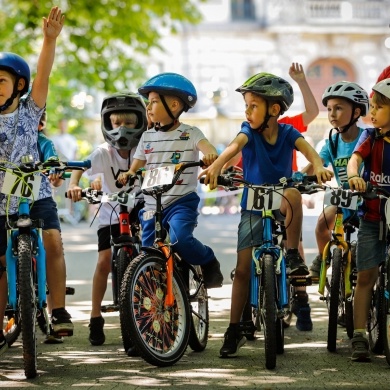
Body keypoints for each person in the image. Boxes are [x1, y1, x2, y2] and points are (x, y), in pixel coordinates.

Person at [199, 73, 333, 357]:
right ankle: (234, 328)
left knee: (294, 194)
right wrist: (216, 168)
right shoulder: (247, 130)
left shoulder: (288, 132)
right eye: (246, 105)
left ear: (274, 109)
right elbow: (233, 148)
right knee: (243, 270)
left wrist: (319, 166)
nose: (247, 111)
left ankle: (294, 255)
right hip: (252, 205)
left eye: (253, 105)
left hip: (282, 199)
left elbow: (310, 152)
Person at [0, 6, 70, 357]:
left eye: (1, 82)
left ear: (19, 86)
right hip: (1, 200)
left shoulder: (31, 111)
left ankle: (58, 309)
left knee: (53, 241)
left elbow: (44, 73)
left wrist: (48, 40)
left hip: (36, 192)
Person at [118, 72, 224, 290]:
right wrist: (129, 173)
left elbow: (208, 148)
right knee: (148, 250)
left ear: (174, 105)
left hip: (181, 201)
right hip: (152, 203)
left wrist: (211, 156)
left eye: (154, 101)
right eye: (148, 102)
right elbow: (137, 162)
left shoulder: (190, 133)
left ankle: (207, 260)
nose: (148, 107)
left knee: (180, 239)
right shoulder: (147, 136)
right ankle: (156, 292)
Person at [66, 92, 147, 347]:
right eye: (115, 122)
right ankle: (95, 316)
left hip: (140, 207)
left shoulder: (145, 149)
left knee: (151, 252)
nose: (122, 128)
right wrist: (74, 184)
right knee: (103, 262)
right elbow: (82, 166)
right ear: (107, 124)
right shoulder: (103, 152)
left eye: (130, 122)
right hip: (110, 211)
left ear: (141, 122)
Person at [305, 82, 369, 279]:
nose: (332, 114)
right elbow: (317, 162)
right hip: (344, 198)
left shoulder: (366, 136)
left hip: (367, 198)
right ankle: (322, 256)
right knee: (322, 223)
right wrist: (298, 177)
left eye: (339, 108)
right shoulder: (332, 141)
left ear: (356, 112)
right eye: (330, 109)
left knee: (368, 236)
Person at [347, 78, 390, 362]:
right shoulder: (370, 137)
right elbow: (355, 160)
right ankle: (359, 333)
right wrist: (353, 175)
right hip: (372, 216)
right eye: (371, 106)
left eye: (378, 107)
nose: (371, 113)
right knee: (365, 276)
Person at [37, 111, 67, 344]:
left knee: (53, 243)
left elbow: (52, 162)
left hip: (39, 199)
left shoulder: (44, 143)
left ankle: (58, 310)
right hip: (6, 201)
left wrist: (55, 173)